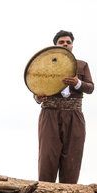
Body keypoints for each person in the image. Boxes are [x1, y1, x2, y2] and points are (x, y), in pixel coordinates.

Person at [34, 30, 94, 183]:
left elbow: (90, 88)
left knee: (73, 156)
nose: (65, 44)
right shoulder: (45, 65)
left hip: (74, 115)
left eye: (68, 42)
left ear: (72, 46)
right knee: (48, 155)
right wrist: (37, 97)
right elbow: (36, 87)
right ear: (55, 45)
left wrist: (77, 83)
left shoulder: (82, 65)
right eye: (62, 42)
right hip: (50, 113)